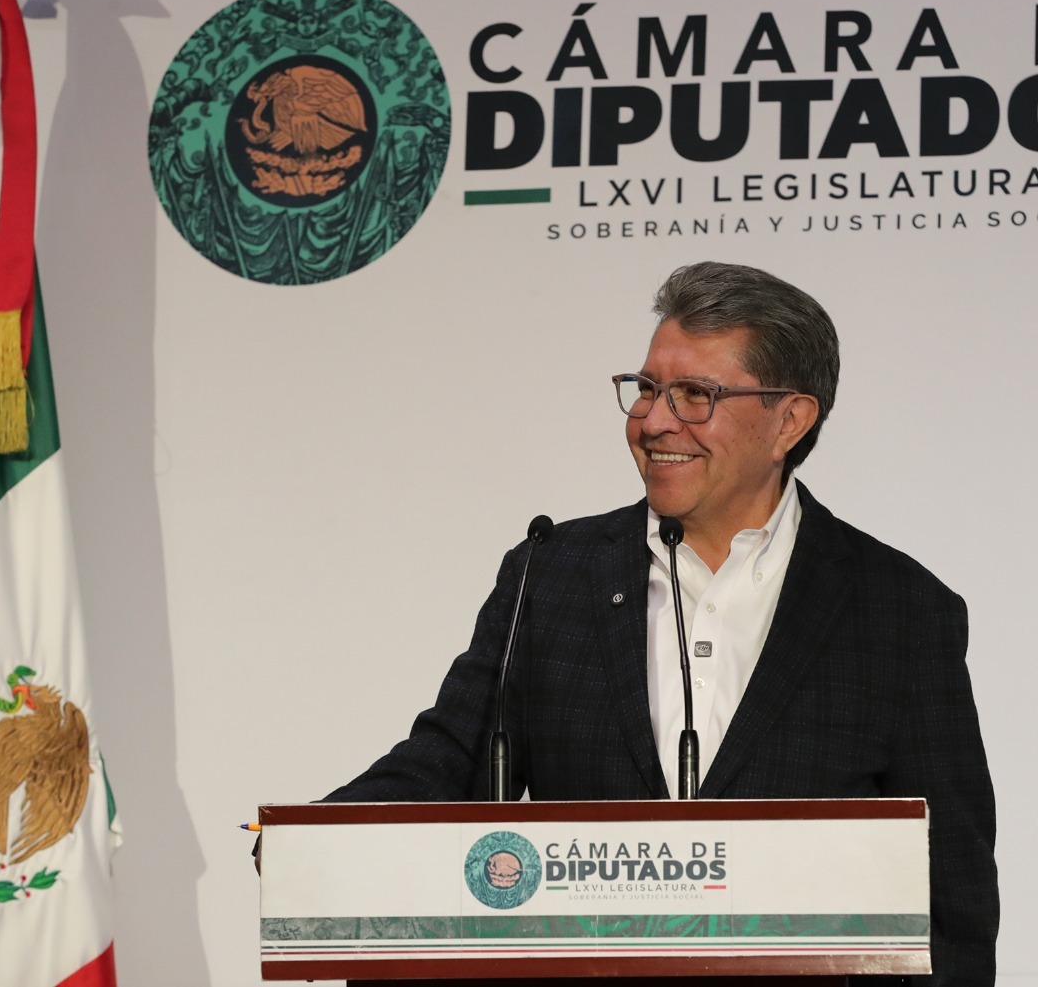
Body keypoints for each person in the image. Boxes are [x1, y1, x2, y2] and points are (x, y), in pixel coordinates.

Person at [307, 261, 998, 983]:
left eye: (696, 394)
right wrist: (323, 837)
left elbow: (951, 895)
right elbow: (453, 757)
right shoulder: (552, 572)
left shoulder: (901, 610)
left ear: (789, 421)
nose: (654, 420)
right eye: (646, 388)